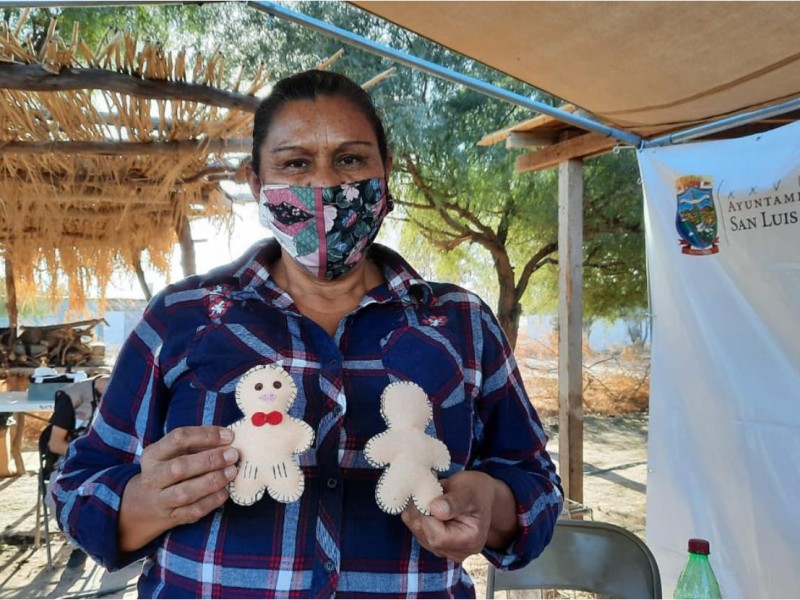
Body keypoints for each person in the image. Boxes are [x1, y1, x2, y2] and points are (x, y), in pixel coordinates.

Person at [53, 69, 563, 598]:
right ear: (256, 183)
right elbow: (75, 488)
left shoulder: (461, 323)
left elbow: (539, 487)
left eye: (350, 160)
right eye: (295, 162)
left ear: (385, 174)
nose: (324, 185)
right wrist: (141, 504)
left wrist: (491, 503)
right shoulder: (183, 317)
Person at [40, 374, 109, 569]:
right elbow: (55, 444)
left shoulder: (126, 396)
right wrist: (92, 455)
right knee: (60, 494)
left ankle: (119, 544)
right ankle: (81, 544)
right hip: (72, 459)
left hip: (110, 461)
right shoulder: (73, 396)